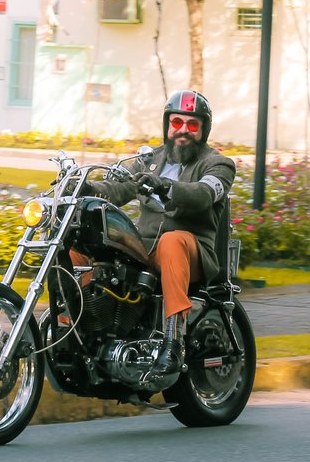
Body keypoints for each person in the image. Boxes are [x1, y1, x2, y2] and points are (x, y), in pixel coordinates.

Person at [85, 90, 235, 377]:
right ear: (167, 125)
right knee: (85, 240)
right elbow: (118, 188)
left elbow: (204, 194)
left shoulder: (218, 164)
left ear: (203, 130)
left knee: (172, 240)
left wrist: (167, 186)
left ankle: (173, 340)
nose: (183, 131)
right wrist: (88, 189)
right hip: (145, 251)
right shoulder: (150, 159)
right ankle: (78, 324)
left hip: (193, 252)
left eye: (192, 125)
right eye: (176, 122)